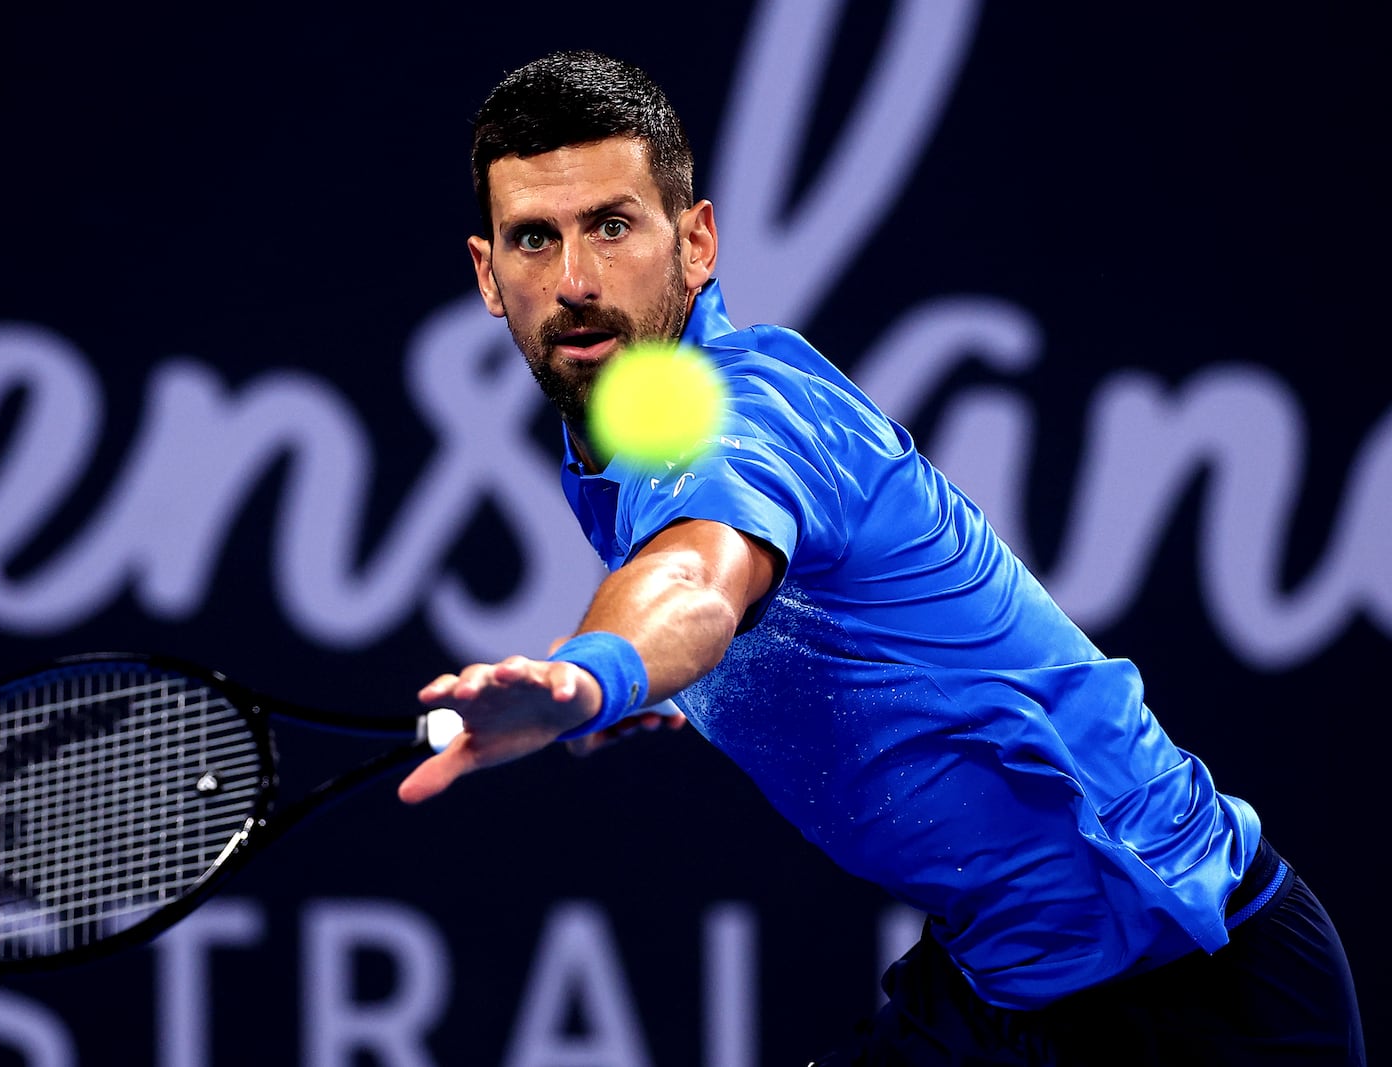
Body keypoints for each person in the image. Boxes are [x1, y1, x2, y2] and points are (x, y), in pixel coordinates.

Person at [396, 50, 1365, 1064]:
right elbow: (732, 608)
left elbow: (694, 580)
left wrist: (595, 674)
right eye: (534, 240)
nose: (576, 280)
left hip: (1195, 994)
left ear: (696, 243)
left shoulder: (735, 413)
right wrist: (651, 684)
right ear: (487, 274)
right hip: (998, 982)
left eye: (611, 225)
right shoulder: (616, 453)